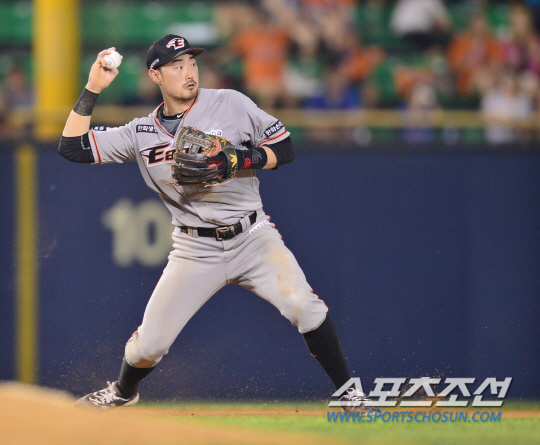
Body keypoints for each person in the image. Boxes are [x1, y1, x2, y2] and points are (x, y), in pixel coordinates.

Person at [59, 35, 378, 413]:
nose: (189, 72)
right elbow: (72, 147)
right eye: (177, 66)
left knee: (304, 307)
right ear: (155, 76)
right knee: (149, 346)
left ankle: (349, 393)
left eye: (192, 63)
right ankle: (123, 392)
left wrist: (239, 160)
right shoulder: (140, 133)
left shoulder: (230, 103)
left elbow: (285, 148)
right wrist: (94, 88)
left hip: (252, 236)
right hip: (194, 249)